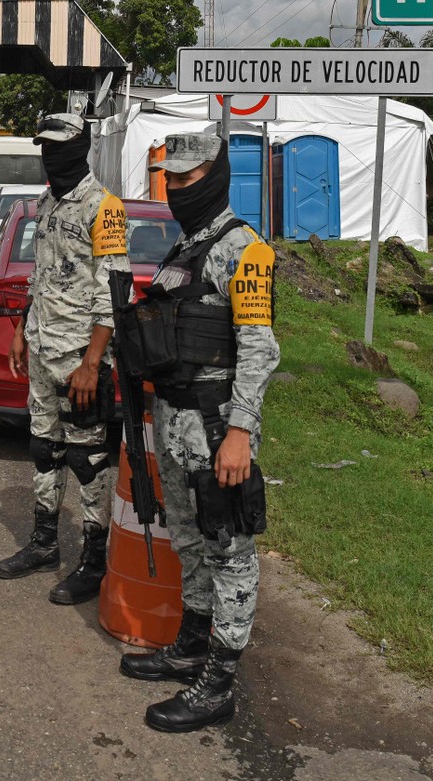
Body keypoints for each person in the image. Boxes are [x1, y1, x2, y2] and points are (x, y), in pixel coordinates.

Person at [117, 132, 278, 733]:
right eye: (170, 179)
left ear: (216, 176)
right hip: (175, 421)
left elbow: (260, 348)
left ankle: (221, 681)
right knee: (189, 540)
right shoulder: (186, 246)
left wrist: (240, 432)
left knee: (229, 548)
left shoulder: (245, 250)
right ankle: (190, 644)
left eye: (187, 179)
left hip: (216, 426)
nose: (176, 188)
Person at [0, 110, 128, 606]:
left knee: (87, 457)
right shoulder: (46, 204)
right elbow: (44, 276)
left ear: (79, 148)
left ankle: (94, 561)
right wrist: (22, 331)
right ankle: (44, 543)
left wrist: (93, 362)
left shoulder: (104, 207)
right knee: (43, 449)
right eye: (43, 147)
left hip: (80, 360)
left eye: (57, 146)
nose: (48, 156)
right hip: (42, 346)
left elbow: (113, 292)